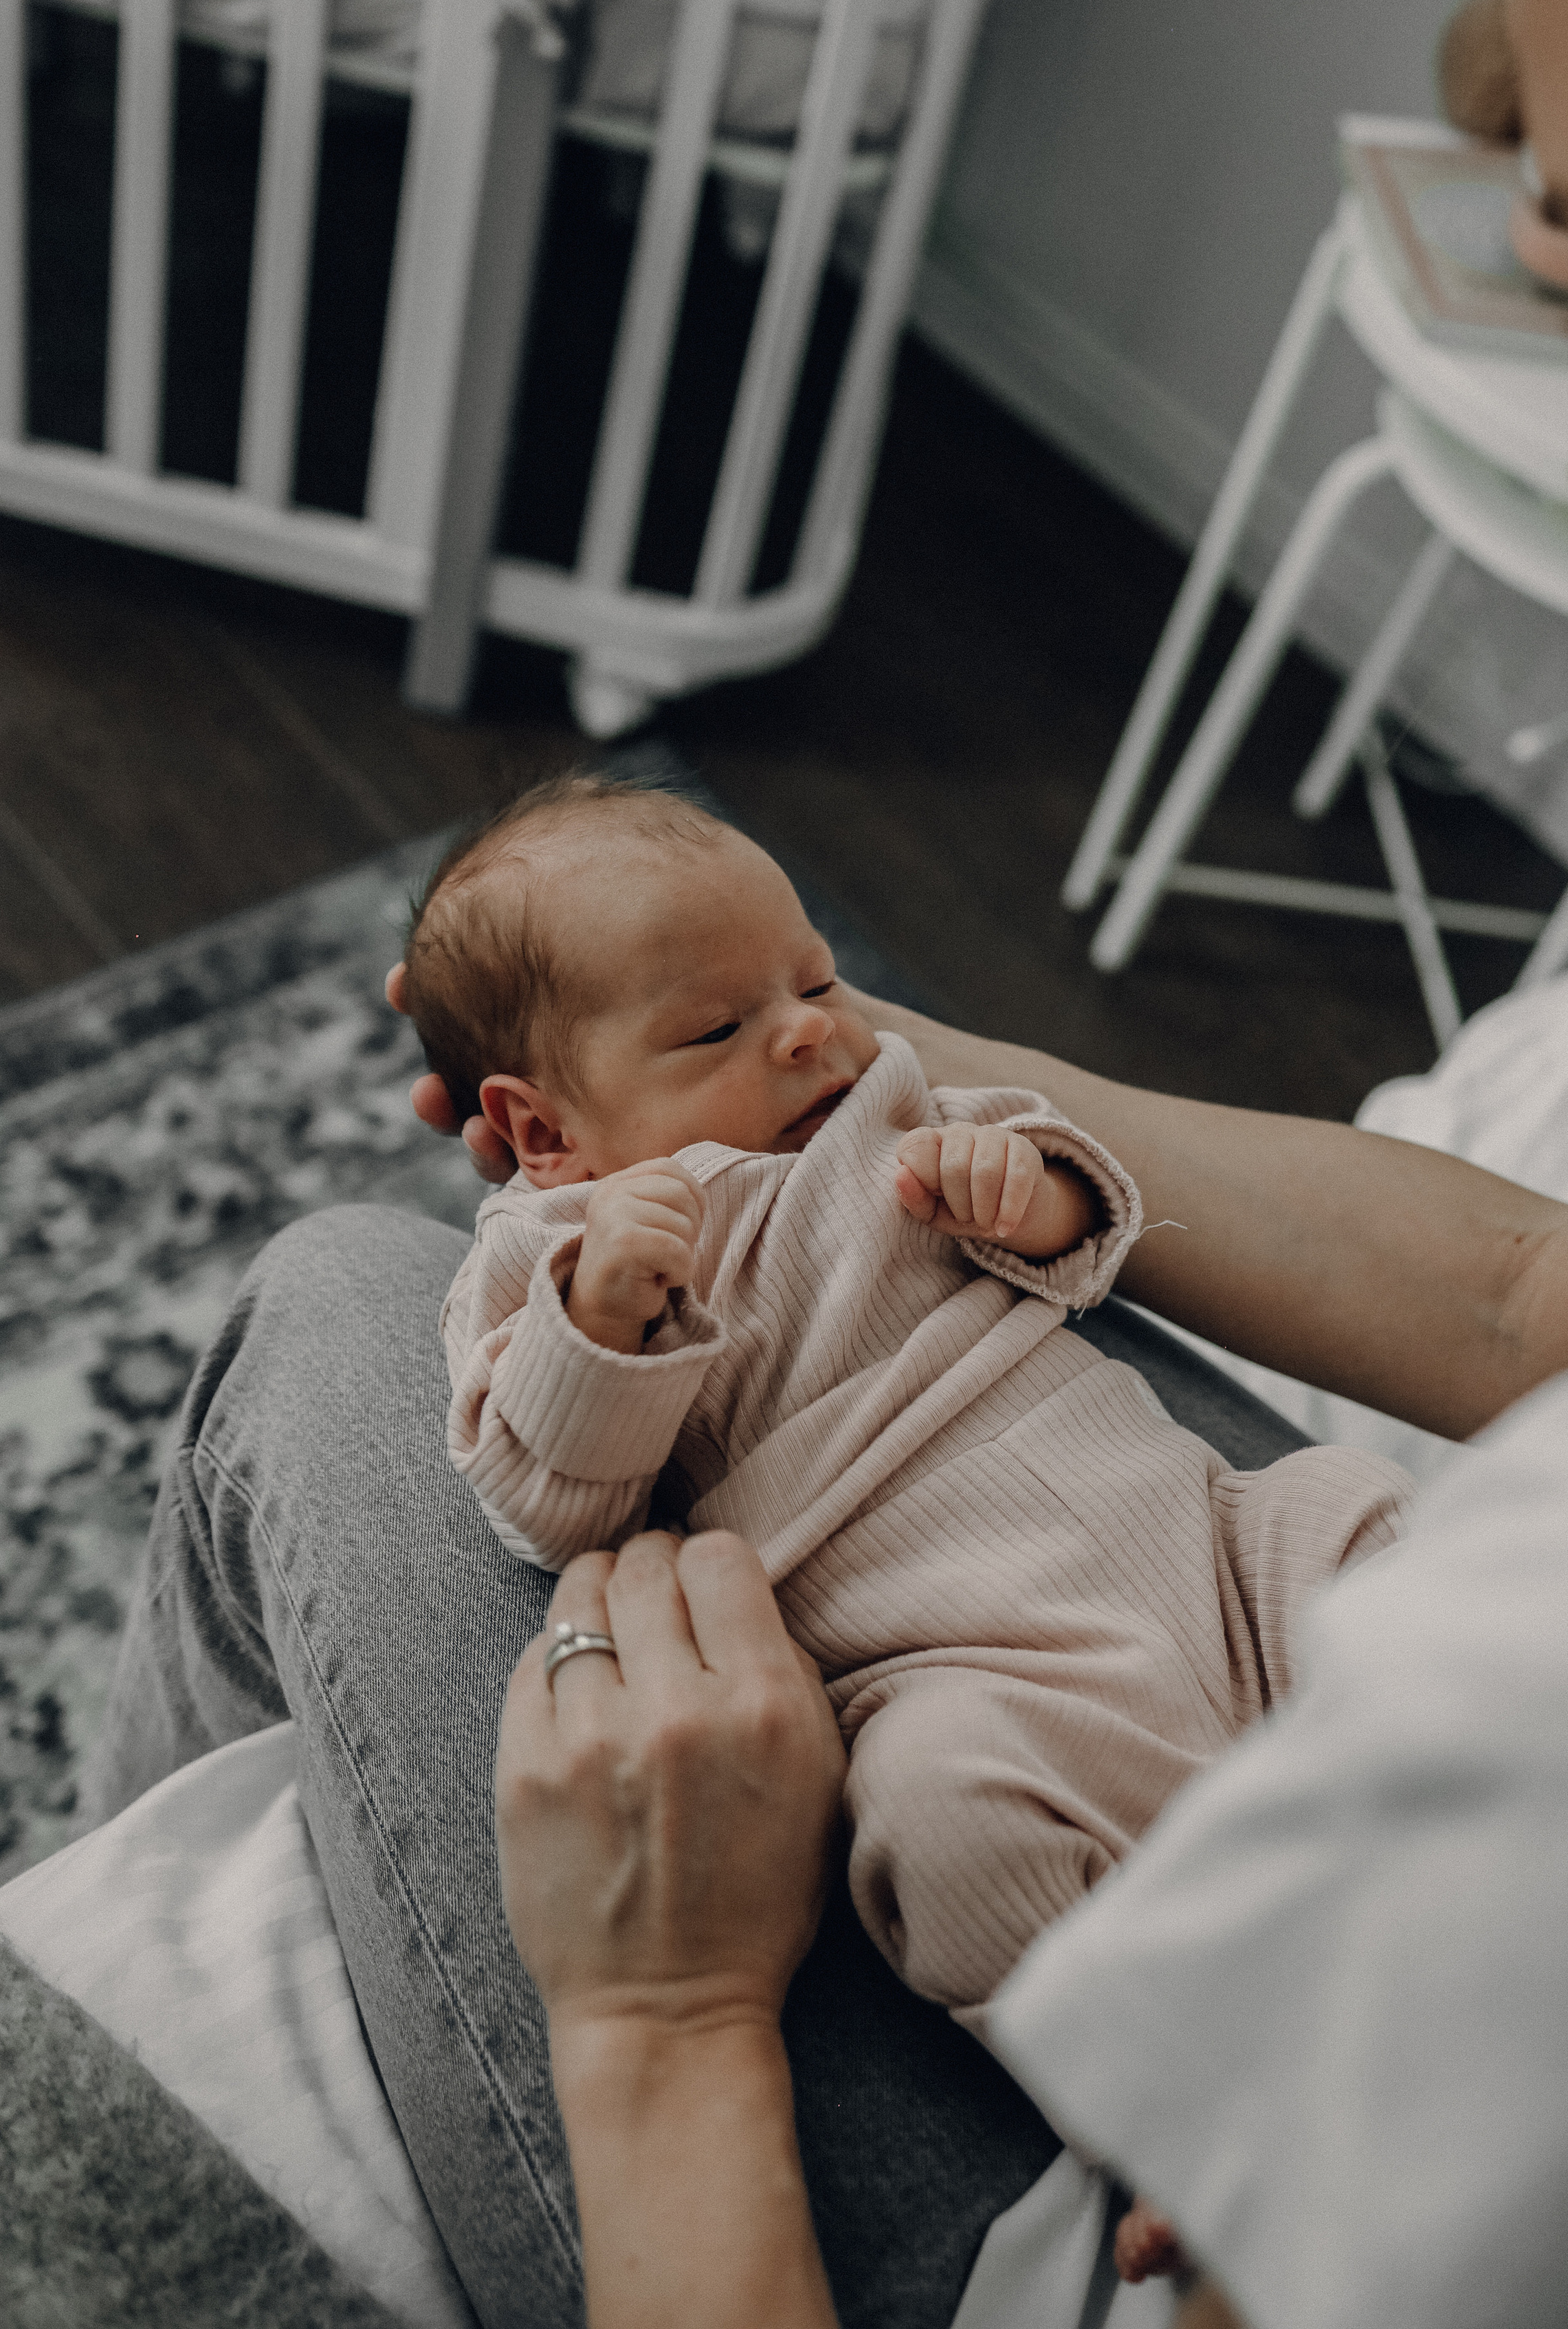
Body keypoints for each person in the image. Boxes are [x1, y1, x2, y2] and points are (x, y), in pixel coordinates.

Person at [87, 0, 1568, 2320]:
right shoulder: (595, 1229)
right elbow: (1558, 1305)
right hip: (999, 1665)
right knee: (963, 1792)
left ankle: (153, 2067)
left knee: (320, 1293)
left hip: (1074, 2041)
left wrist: (650, 2024)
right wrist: (717, 1219)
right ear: (541, 1127)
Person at [404, 775, 1405, 2022]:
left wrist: (1029, 1188)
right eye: (716, 1029)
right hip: (969, 1674)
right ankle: (1180, 2076)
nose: (807, 1033)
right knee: (940, 1822)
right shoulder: (544, 1250)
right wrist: (599, 1318)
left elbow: (1089, 1233)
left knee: (1366, 1513)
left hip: (1217, 1555)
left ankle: (1501, 1826)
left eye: (815, 982)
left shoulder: (885, 1104)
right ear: (539, 1131)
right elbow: (546, 1506)